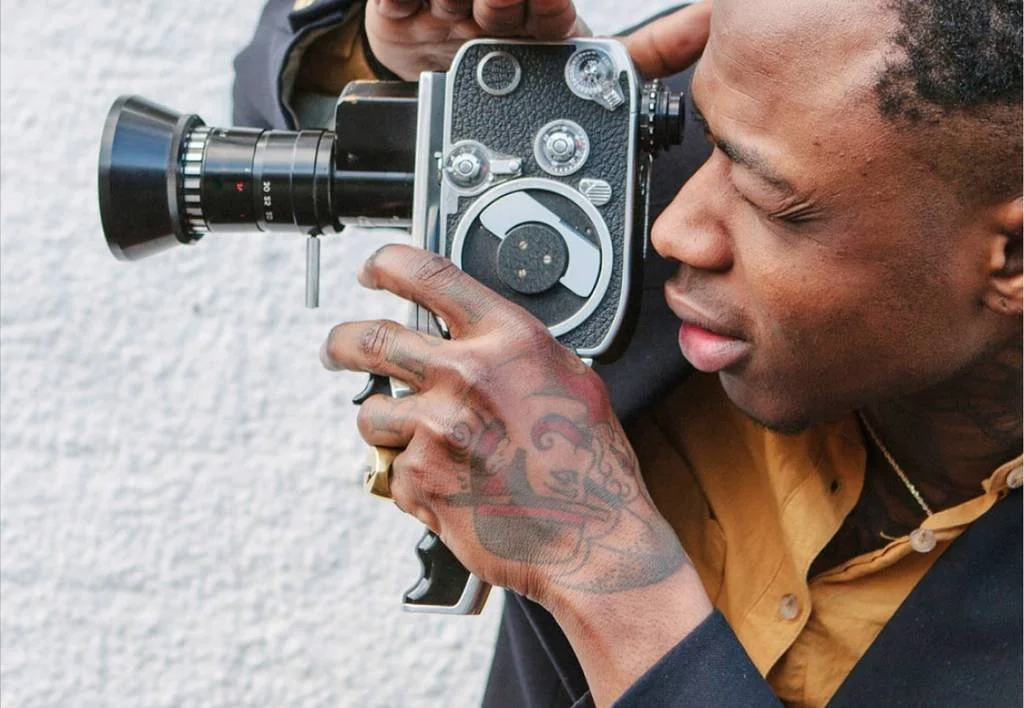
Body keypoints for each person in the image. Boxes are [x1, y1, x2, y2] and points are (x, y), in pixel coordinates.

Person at [233, 1, 1023, 705]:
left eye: (769, 205)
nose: (673, 227)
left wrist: (602, 573)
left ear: (1011, 257)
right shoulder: (772, 106)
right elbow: (269, 124)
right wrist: (419, 76)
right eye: (700, 135)